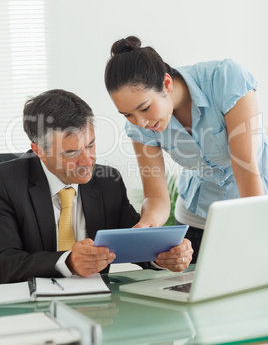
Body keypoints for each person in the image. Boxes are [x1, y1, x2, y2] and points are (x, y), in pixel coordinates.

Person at [0, 89, 193, 284]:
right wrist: (68, 262)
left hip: (99, 304)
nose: (86, 161)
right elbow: (5, 261)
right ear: (39, 151)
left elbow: (134, 240)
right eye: (71, 152)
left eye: (90, 146)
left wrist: (165, 254)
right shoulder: (6, 183)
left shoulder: (108, 182)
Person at [105, 36, 268, 262]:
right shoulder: (140, 127)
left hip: (255, 206)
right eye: (128, 114)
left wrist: (258, 236)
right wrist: (146, 224)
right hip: (197, 218)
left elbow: (245, 171)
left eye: (144, 108)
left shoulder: (226, 80)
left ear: (167, 84)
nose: (140, 122)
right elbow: (157, 197)